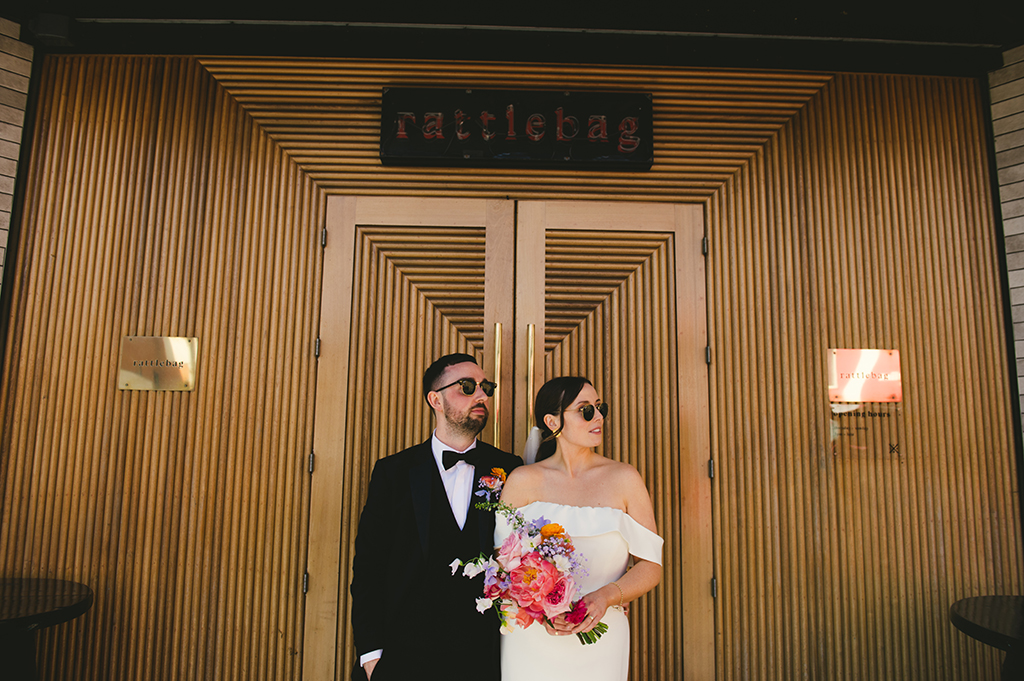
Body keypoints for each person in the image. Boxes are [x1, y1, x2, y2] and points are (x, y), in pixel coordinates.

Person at [350, 353, 522, 681]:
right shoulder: (394, 473)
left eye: (486, 387)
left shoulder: (512, 469)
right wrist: (371, 654)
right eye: (468, 387)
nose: (482, 396)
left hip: (486, 656)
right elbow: (369, 566)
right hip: (404, 655)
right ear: (436, 399)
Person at [496, 376, 663, 681]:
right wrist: (539, 608)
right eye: (585, 410)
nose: (598, 417)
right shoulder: (522, 481)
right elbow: (501, 563)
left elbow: (651, 566)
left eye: (600, 408)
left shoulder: (624, 478)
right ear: (552, 421)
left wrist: (608, 596)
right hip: (532, 637)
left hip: (601, 635)